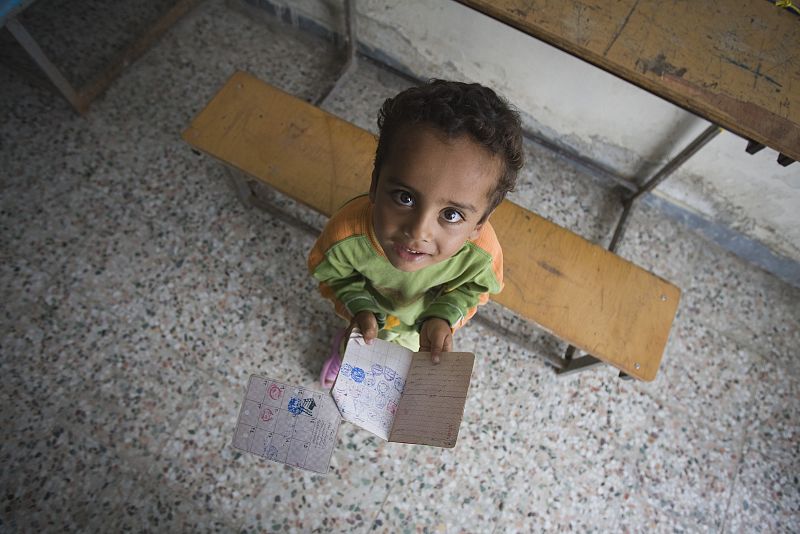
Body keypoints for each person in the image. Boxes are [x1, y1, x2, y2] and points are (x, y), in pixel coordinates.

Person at [308, 79, 524, 388]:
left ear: (479, 224)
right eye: (404, 198)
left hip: (418, 330)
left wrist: (441, 319)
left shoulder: (482, 256)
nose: (417, 231)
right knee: (357, 345)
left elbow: (474, 290)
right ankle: (343, 356)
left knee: (405, 363)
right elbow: (333, 275)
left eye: (451, 215)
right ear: (375, 183)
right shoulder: (345, 234)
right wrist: (360, 308)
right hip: (364, 319)